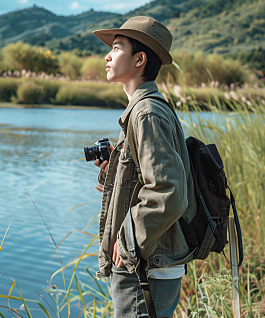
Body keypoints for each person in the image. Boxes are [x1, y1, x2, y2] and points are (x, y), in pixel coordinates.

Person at [92, 16, 196, 318]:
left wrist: (126, 243)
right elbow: (146, 181)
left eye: (116, 48)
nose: (108, 56)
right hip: (146, 262)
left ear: (139, 59)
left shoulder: (146, 112)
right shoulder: (144, 108)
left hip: (144, 267)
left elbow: (168, 191)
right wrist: (112, 169)